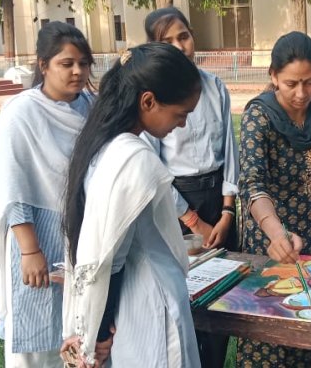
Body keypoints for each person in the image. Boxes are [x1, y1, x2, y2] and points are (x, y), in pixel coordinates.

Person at [60, 42, 203, 367]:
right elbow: (110, 258)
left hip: (130, 305)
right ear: (148, 101)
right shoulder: (133, 158)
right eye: (180, 114)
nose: (181, 125)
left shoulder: (101, 144)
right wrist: (98, 334)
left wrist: (94, 325)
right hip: (149, 305)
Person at [237, 31, 311, 367]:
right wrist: (276, 233)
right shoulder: (259, 117)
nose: (302, 93)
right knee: (272, 331)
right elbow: (252, 184)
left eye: (310, 82)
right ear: (273, 76)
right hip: (273, 242)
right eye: (291, 83)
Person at [0, 21, 95, 368]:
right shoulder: (20, 113)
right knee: (36, 332)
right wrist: (30, 250)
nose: (77, 71)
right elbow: (11, 187)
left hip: (82, 230)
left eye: (83, 63)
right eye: (67, 63)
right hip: (35, 235)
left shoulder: (92, 107)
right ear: (43, 65)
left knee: (81, 325)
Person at [143, 7, 238, 368]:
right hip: (178, 205)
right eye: (166, 41)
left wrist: (228, 211)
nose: (179, 46)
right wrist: (195, 222)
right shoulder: (152, 98)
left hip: (221, 200)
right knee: (187, 295)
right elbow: (153, 168)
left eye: (183, 36)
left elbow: (230, 149)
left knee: (224, 294)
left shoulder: (215, 86)